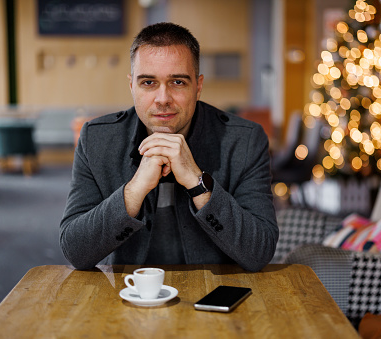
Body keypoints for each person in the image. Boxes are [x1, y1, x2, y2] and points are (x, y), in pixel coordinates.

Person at [60, 22, 278, 272]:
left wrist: (198, 184)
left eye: (177, 82)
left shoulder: (245, 141)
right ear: (132, 86)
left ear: (198, 86)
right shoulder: (97, 140)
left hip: (214, 297)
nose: (163, 99)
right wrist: (134, 190)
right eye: (148, 83)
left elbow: (260, 252)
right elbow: (75, 251)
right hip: (128, 298)